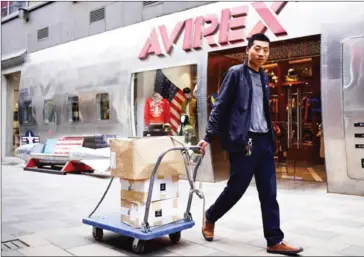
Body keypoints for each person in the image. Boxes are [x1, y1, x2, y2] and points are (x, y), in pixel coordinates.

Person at [197, 33, 303, 255]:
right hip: (245, 142)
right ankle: (211, 216)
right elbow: (221, 105)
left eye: (265, 50)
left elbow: (260, 108)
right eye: (257, 49)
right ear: (248, 50)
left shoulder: (264, 76)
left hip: (264, 141)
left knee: (269, 192)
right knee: (236, 189)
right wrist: (207, 136)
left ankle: (274, 240)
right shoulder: (236, 73)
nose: (262, 53)